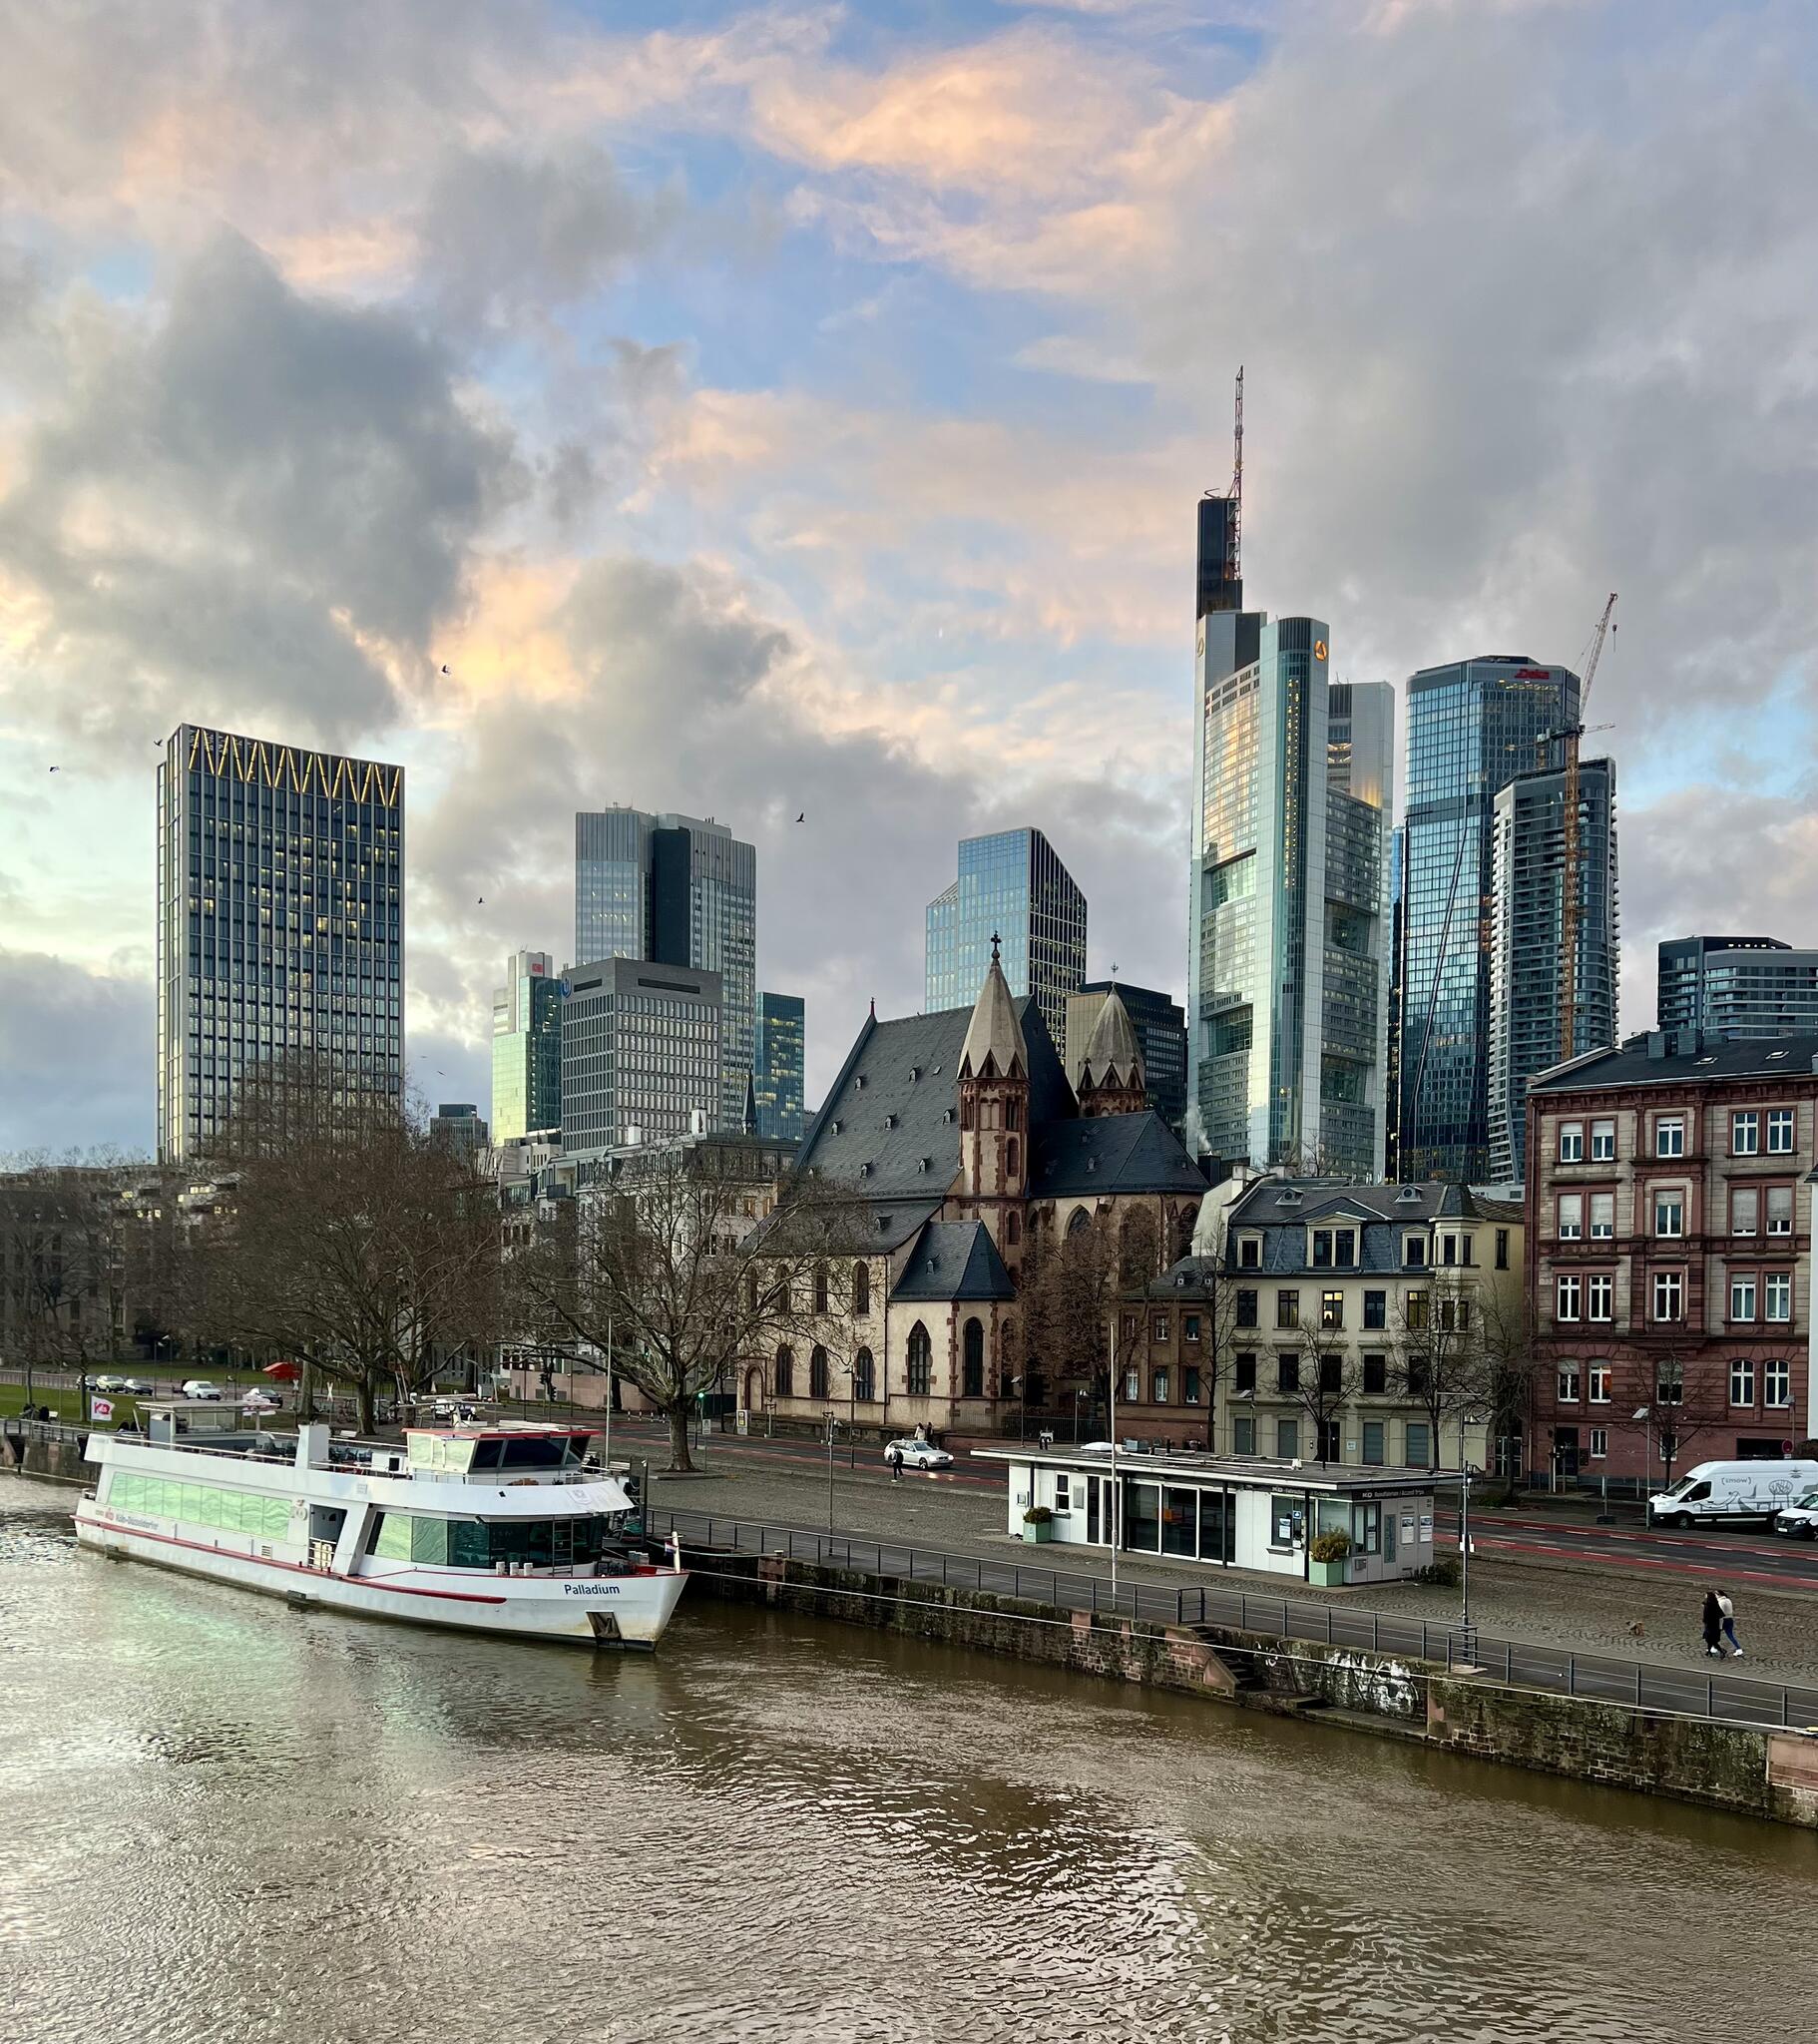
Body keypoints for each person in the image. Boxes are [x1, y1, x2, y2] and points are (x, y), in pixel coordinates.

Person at [1718, 1591, 1742, 1658]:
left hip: (1724, 1620)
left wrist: (1720, 1625)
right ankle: (1739, 1648)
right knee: (1730, 1635)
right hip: (1730, 1619)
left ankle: (1715, 1648)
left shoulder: (1721, 1602)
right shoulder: (1728, 1600)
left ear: (1719, 1595)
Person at [1700, 1589, 1723, 1658]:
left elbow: (1706, 1616)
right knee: (1710, 1640)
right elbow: (1721, 1614)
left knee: (1711, 1640)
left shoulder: (1708, 1606)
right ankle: (1709, 1651)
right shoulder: (1715, 1604)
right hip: (1715, 1625)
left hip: (1710, 1625)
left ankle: (1721, 1651)